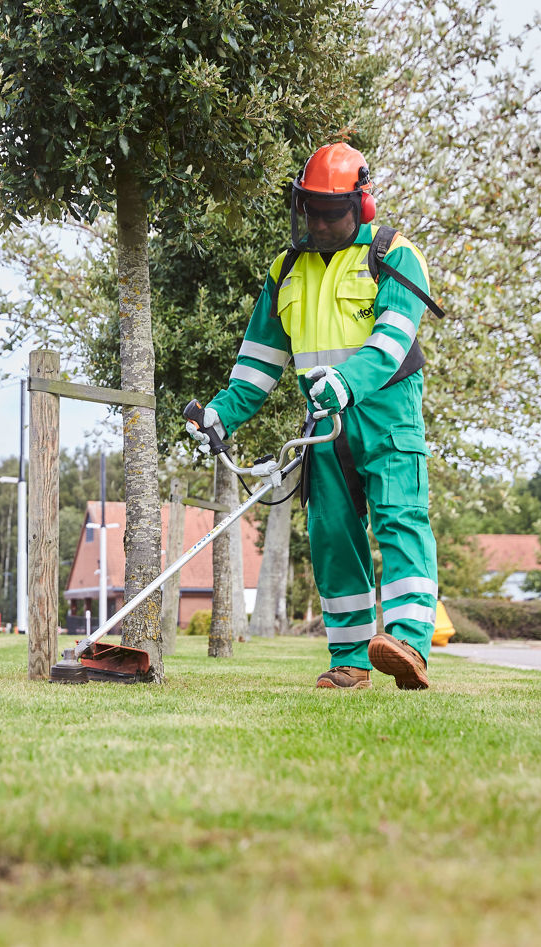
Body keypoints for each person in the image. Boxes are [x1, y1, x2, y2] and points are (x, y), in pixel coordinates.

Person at [186, 142, 438, 690]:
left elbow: (393, 339)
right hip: (324, 424)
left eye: (332, 213)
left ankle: (409, 645)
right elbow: (258, 363)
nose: (320, 224)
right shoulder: (286, 271)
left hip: (387, 414)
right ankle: (349, 657)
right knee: (331, 535)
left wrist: (346, 383)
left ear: (361, 207)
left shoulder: (394, 255)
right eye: (312, 212)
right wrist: (220, 415)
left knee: (400, 519)